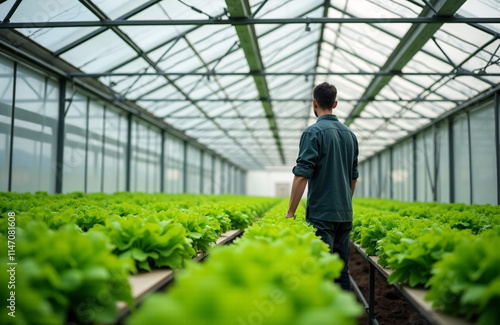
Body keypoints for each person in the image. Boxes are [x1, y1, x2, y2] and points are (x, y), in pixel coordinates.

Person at [286, 82, 359, 291]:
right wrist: (344, 202)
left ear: (314, 103)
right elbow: (353, 176)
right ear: (335, 103)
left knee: (322, 269)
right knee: (341, 270)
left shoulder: (313, 132)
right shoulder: (350, 135)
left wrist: (291, 211)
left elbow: (302, 175)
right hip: (344, 214)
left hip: (322, 214)